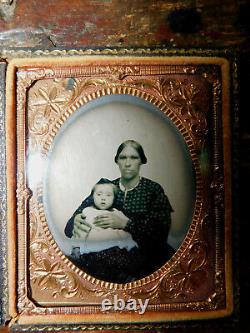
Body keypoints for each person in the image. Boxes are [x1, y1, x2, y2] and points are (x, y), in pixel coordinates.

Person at [65, 140, 174, 283]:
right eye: (123, 158)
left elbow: (160, 234)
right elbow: (69, 228)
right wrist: (77, 220)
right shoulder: (106, 189)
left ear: (141, 161)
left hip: (144, 254)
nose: (127, 163)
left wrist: (125, 224)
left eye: (134, 158)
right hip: (105, 253)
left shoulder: (153, 190)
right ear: (117, 161)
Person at [72, 178, 138, 253]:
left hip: (117, 247)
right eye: (99, 194)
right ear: (92, 197)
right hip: (95, 248)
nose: (103, 198)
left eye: (108, 195)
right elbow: (81, 231)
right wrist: (76, 248)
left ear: (114, 199)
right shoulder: (88, 211)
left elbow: (129, 227)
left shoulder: (117, 212)